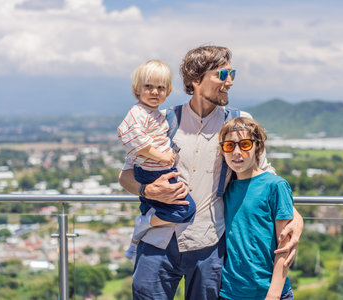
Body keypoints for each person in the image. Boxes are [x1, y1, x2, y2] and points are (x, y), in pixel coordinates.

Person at [118, 45, 304, 300]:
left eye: (232, 74)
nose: (229, 82)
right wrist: (147, 190)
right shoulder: (162, 120)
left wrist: (295, 217)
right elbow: (125, 175)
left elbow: (264, 176)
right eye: (222, 74)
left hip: (207, 246)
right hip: (158, 240)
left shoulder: (236, 122)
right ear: (195, 79)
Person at [117, 60, 196, 260]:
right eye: (149, 86)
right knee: (186, 209)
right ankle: (144, 224)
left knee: (165, 206)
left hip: (157, 170)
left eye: (160, 87)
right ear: (137, 89)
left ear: (168, 91)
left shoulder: (157, 114)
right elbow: (133, 140)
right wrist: (162, 155)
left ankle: (136, 240)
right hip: (152, 171)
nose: (154, 92)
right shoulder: (137, 113)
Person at [218, 117, 294, 300]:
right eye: (229, 146)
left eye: (244, 144)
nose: (236, 152)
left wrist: (274, 294)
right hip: (230, 293)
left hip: (270, 292)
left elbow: (284, 246)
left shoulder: (275, 185)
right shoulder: (226, 189)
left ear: (258, 147)